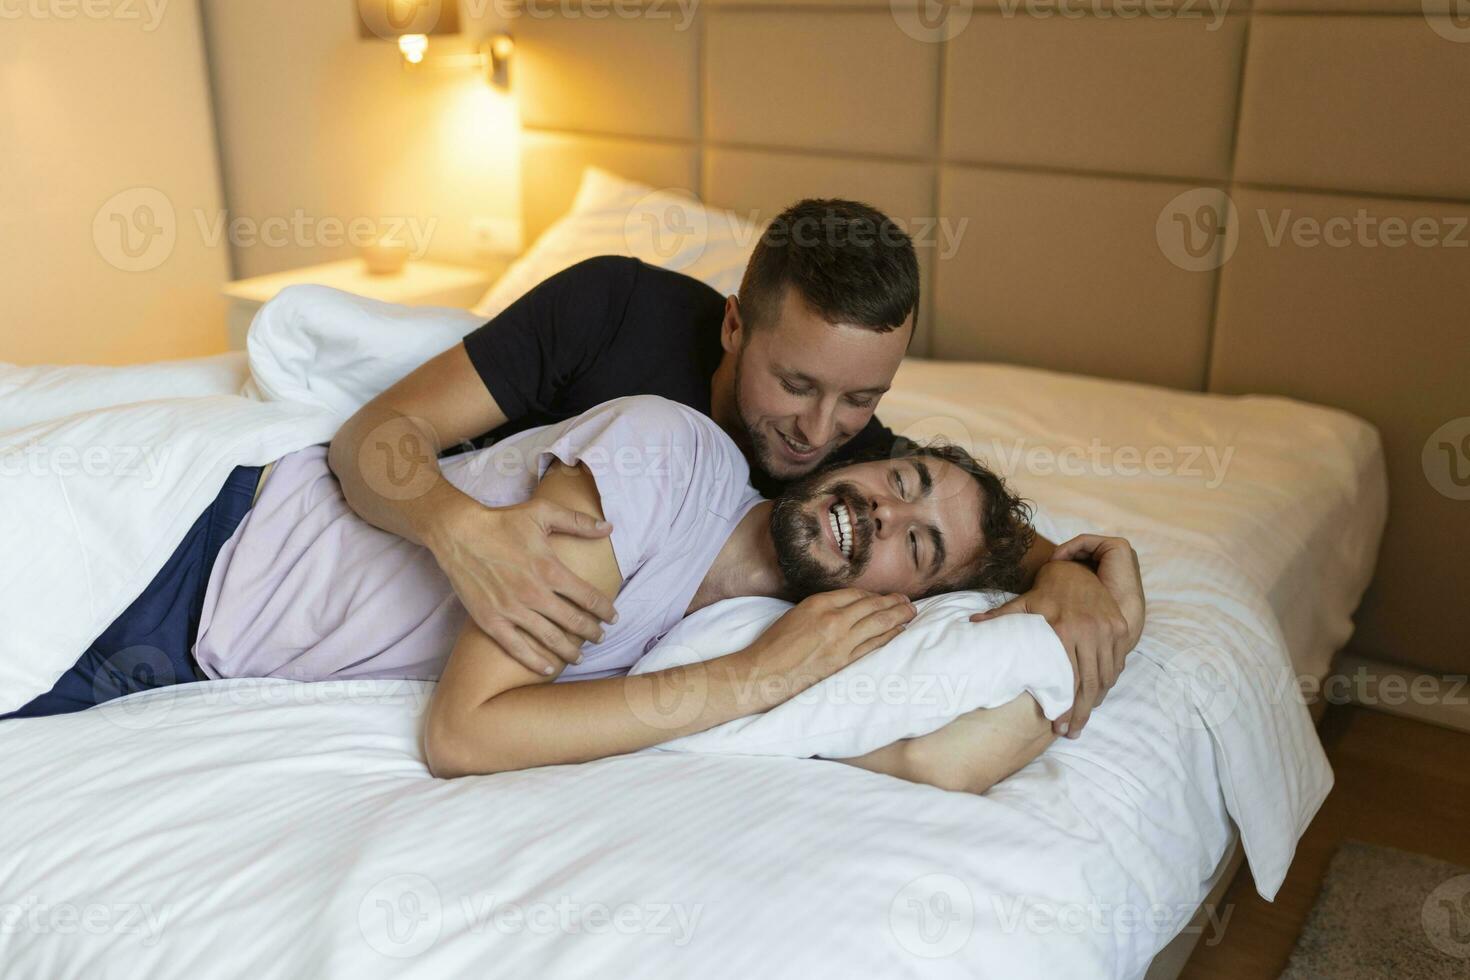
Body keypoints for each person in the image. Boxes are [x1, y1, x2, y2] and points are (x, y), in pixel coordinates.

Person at [5, 398, 1142, 793]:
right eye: (899, 479)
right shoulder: (668, 464)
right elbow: (464, 731)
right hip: (186, 554)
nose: (884, 514)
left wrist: (1096, 598)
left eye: (920, 544)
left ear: (913, 600)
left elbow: (939, 755)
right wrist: (748, 680)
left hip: (197, 648)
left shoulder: (741, 621)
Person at [331, 198, 1143, 738]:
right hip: (360, 563)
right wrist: (458, 529)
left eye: (861, 397)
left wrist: (1070, 576)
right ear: (732, 328)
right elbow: (373, 436)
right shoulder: (612, 312)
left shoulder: (848, 470)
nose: (818, 431)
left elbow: (975, 535)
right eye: (795, 383)